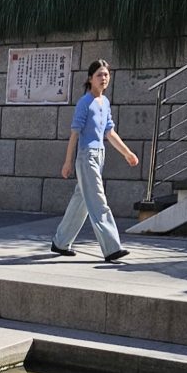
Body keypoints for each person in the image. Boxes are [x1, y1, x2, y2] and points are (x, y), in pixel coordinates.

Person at [51, 59, 139, 263]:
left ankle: (60, 242)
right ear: (90, 78)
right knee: (99, 202)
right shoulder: (85, 102)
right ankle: (112, 248)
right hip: (86, 157)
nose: (104, 78)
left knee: (80, 203)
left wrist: (127, 153)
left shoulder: (105, 102)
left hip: (99, 156)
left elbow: (109, 132)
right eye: (99, 75)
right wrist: (67, 162)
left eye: (106, 74)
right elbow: (74, 134)